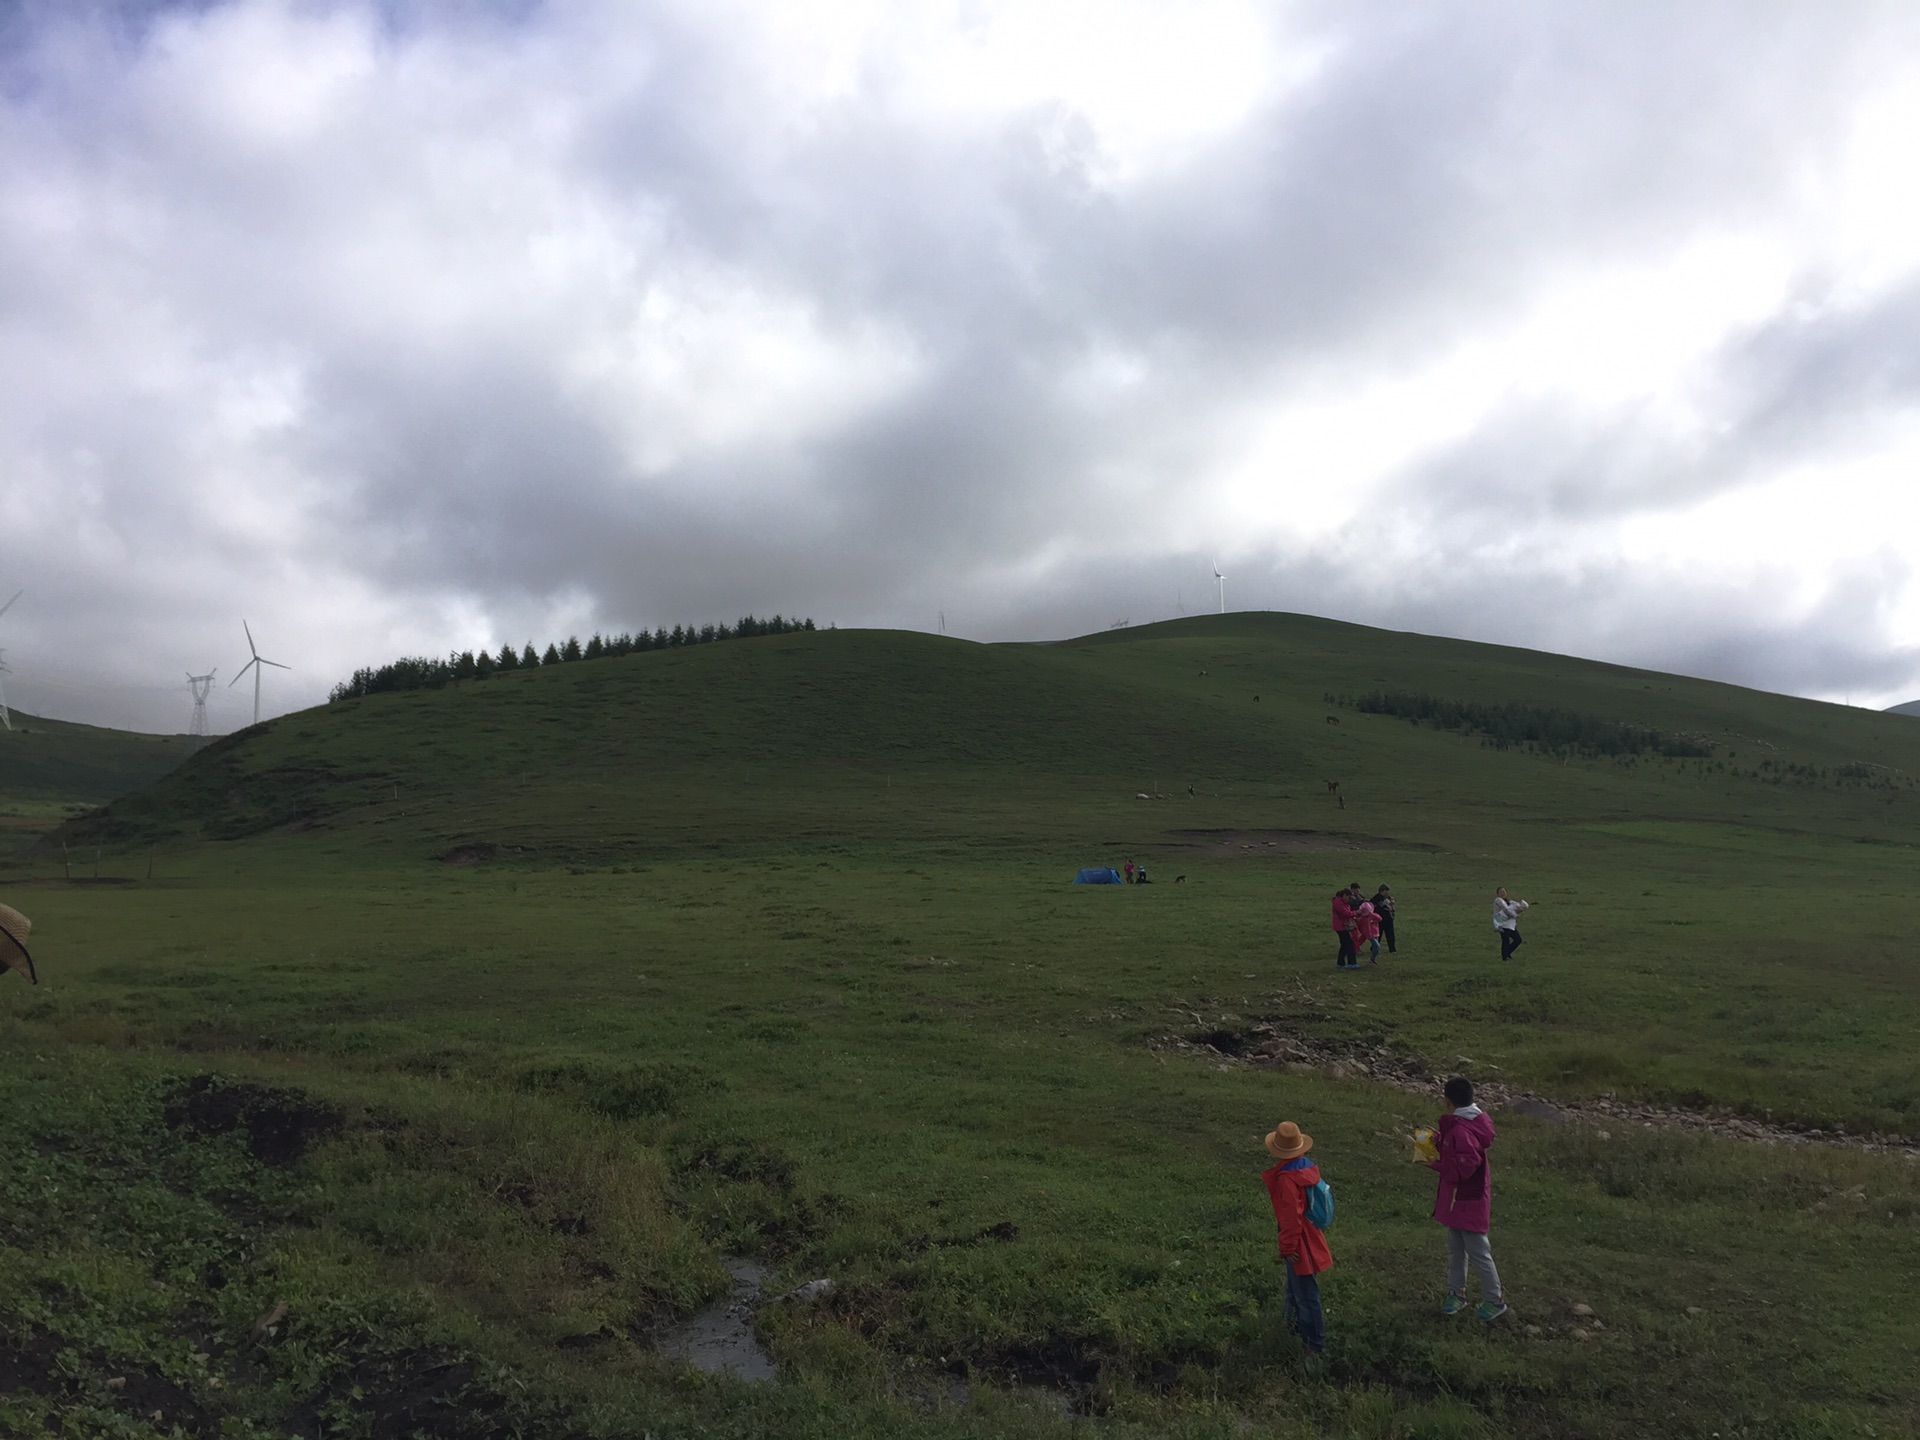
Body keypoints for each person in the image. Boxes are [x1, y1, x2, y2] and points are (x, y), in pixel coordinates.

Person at [1425, 1076, 1506, 1321]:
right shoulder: (1469, 1124)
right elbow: (1457, 1149)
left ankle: (1495, 1299)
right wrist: (1438, 1141)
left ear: (1447, 1101)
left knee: (1478, 1250)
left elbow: (1465, 1165)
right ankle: (1456, 1292)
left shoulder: (1461, 1130)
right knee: (1456, 1247)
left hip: (1467, 1199)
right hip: (1461, 1200)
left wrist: (1435, 1164)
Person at [1260, 1120, 1332, 1360]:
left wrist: (1287, 1247)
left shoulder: (1286, 1179)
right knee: (1295, 1287)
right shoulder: (1307, 1168)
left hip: (1299, 1242)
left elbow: (1291, 1217)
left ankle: (1314, 1344)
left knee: (1305, 1293)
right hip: (1312, 1235)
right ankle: (1289, 1327)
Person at [1492, 888, 1530, 962]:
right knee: (1505, 940)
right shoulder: (1498, 901)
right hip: (1502, 924)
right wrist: (1515, 915)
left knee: (1518, 939)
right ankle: (1505, 957)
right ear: (1497, 894)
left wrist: (1521, 908)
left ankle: (1507, 953)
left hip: (1511, 924)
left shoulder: (1510, 902)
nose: (1502, 893)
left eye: (1504, 892)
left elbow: (1518, 907)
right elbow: (1506, 910)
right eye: (1500, 892)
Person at [1330, 889, 1359, 971]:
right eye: (1349, 897)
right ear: (1344, 895)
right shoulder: (1338, 903)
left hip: (1343, 926)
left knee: (1344, 945)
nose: (1349, 899)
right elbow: (1345, 913)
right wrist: (1356, 912)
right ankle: (1351, 963)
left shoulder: (1343, 903)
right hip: (1341, 927)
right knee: (1349, 944)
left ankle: (1341, 963)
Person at [1372, 885, 1397, 954]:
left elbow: (1392, 908)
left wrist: (1392, 906)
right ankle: (1375, 948)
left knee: (1390, 935)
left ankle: (1392, 949)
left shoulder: (1388, 898)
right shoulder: (1376, 898)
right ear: (1382, 891)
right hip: (1380, 919)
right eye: (1386, 892)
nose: (1387, 894)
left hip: (1388, 919)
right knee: (1378, 935)